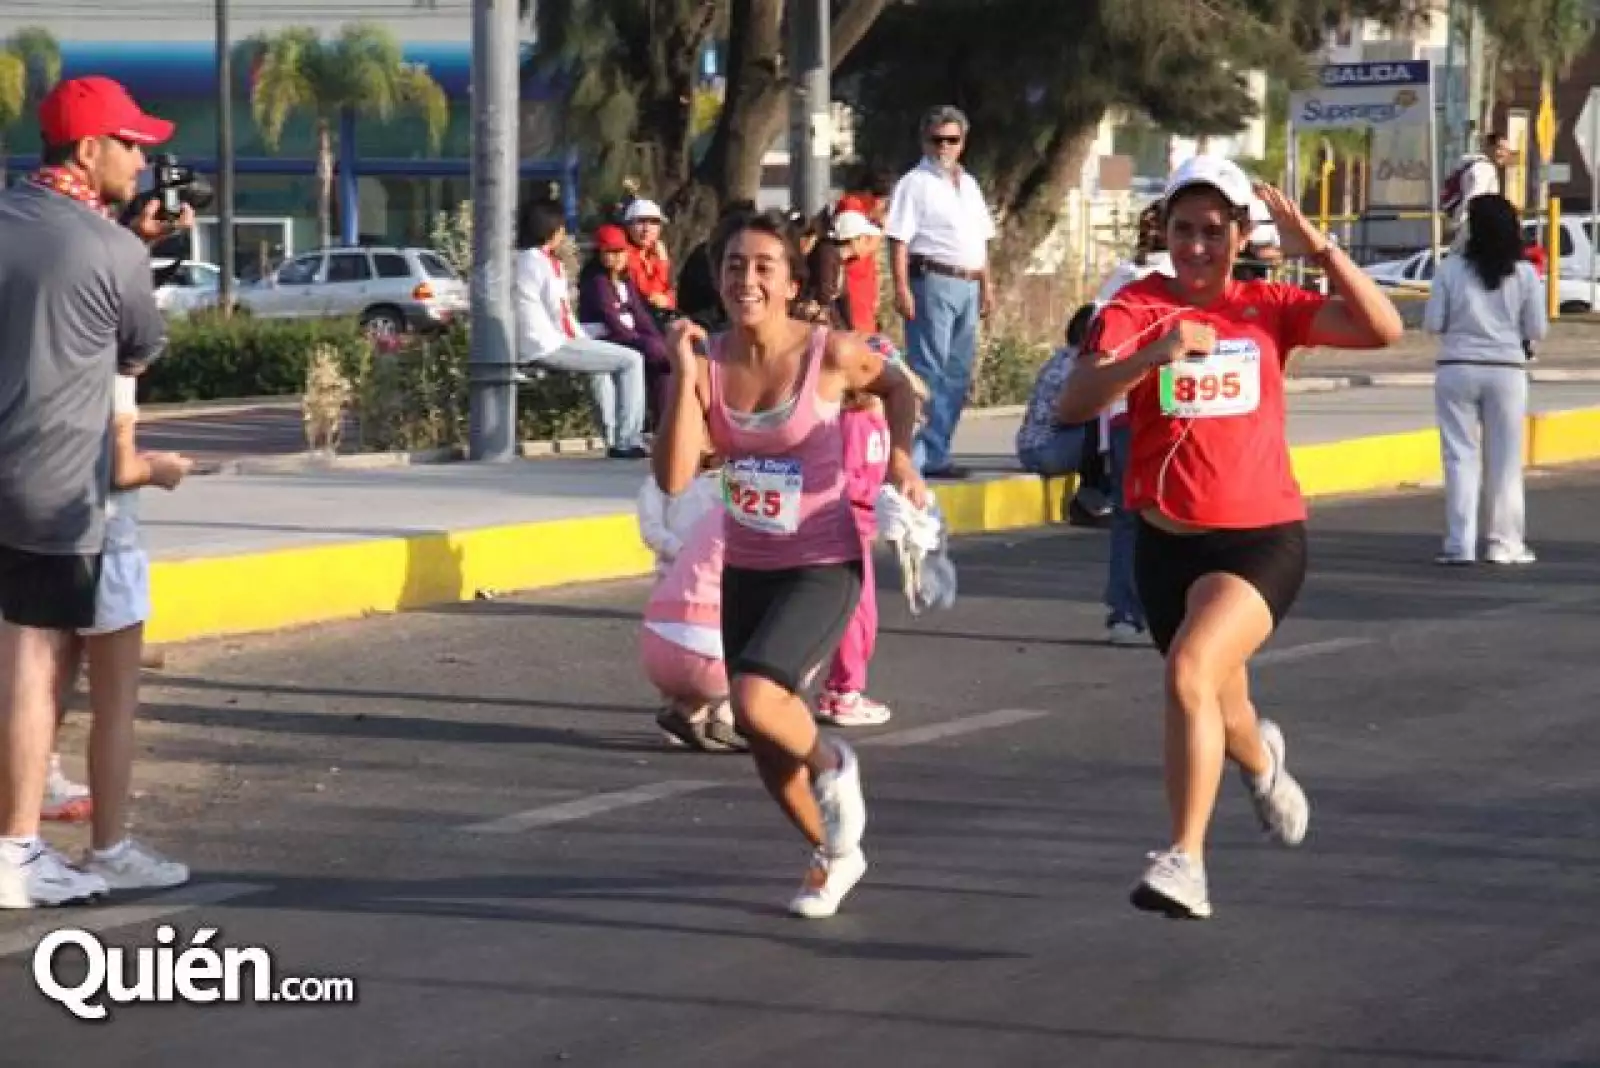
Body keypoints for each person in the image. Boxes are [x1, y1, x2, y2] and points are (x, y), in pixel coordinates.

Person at [1057, 155, 1403, 919]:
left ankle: (1186, 859)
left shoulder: (1269, 304)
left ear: (1242, 234)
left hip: (1259, 542)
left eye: (1215, 231)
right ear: (1165, 230)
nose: (1198, 246)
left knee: (1188, 672)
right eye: (1184, 229)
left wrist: (1321, 251)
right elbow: (1073, 404)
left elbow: (1384, 329)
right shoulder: (1135, 307)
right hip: (1164, 547)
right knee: (1223, 704)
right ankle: (1263, 763)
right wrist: (1155, 354)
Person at [652, 209, 926, 919]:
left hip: (823, 560)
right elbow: (677, 475)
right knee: (765, 744)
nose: (747, 278)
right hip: (749, 564)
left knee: (754, 698)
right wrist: (684, 375)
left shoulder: (831, 353)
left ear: (790, 281)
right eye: (734, 265)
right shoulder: (706, 360)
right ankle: (833, 854)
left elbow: (898, 385)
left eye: (763, 266)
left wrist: (899, 456)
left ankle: (836, 764)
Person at [0, 76, 179, 908]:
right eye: (131, 143)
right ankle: (18, 849)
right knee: (35, 665)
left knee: (33, 658)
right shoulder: (113, 251)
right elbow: (139, 346)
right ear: (88, 149)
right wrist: (132, 248)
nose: (143, 160)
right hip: (56, 488)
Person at [53, 373, 194, 890]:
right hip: (106, 540)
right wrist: (161, 470)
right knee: (115, 707)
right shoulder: (111, 364)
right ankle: (109, 847)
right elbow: (120, 467)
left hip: (41, 538)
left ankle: (21, 834)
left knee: (42, 691)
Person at [1424, 194, 1546, 566]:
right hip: (1507, 371)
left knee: (1459, 457)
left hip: (1456, 367)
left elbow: (1432, 323)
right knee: (1505, 461)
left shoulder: (1450, 269)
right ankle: (1504, 543)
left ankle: (1459, 543)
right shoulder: (1525, 274)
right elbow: (1537, 328)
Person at [886, 104, 997, 480]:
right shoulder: (914, 184)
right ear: (925, 141)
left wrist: (987, 287)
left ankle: (937, 450)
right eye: (938, 140)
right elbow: (899, 240)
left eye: (952, 140)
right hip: (932, 280)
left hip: (968, 281)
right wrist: (901, 288)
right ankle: (914, 454)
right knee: (928, 369)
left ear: (963, 142)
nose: (944, 147)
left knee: (958, 372)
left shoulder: (969, 184)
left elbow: (980, 240)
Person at [1090, 205, 1174, 645]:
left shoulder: (1120, 281)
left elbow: (1088, 343)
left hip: (1128, 412)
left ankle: (1127, 612)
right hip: (1164, 414)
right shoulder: (1159, 285)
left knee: (1130, 516)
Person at [513, 200, 649, 459]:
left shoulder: (518, 260)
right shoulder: (546, 263)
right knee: (632, 360)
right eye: (562, 229)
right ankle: (626, 440)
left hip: (528, 342)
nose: (564, 235)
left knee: (600, 365)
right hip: (547, 344)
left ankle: (612, 437)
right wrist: (584, 341)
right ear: (553, 231)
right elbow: (560, 314)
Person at [639, 510, 745, 753]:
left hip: (655, 646)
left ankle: (688, 711)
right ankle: (728, 717)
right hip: (706, 654)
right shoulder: (765, 523)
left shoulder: (711, 515)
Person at [578, 223, 669, 424]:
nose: (618, 257)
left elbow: (640, 314)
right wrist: (643, 342)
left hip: (627, 336)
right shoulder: (596, 281)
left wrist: (656, 339)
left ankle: (664, 423)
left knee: (662, 364)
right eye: (611, 252)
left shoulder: (625, 279)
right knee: (654, 352)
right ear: (599, 253)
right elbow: (610, 318)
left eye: (621, 251)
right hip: (605, 338)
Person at [624, 198, 677, 317]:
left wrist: (668, 300)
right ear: (628, 226)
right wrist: (662, 263)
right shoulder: (625, 254)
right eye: (640, 222)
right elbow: (651, 295)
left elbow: (671, 291)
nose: (646, 229)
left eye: (654, 222)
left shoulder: (655, 252)